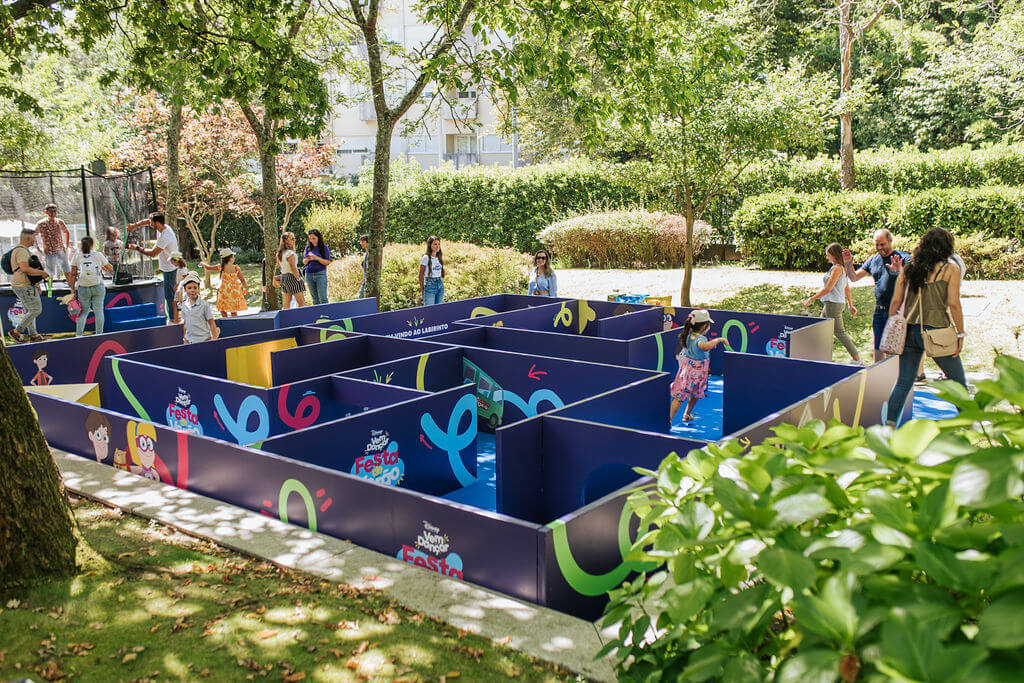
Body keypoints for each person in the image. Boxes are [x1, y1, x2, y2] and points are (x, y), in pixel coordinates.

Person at [885, 227, 967, 426]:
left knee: (903, 383)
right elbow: (954, 304)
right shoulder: (951, 269)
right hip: (937, 331)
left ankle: (889, 426)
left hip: (910, 331)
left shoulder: (909, 268)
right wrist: (960, 334)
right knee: (959, 383)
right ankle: (971, 426)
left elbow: (895, 302)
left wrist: (893, 327)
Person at [842, 229, 911, 363]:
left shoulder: (904, 257)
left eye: (882, 244)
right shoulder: (873, 260)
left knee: (898, 350)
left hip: (899, 312)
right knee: (878, 350)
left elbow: (913, 280)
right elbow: (854, 277)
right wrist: (849, 264)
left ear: (890, 241)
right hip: (880, 311)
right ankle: (879, 374)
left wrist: (900, 271)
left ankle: (900, 375)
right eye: (877, 244)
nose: (879, 248)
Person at [803, 243, 861, 363]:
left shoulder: (837, 269)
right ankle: (818, 356)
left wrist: (811, 299)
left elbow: (828, 289)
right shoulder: (841, 268)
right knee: (820, 329)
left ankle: (857, 360)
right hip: (832, 304)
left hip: (833, 305)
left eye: (828, 255)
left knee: (839, 332)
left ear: (834, 255)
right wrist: (850, 305)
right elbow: (847, 288)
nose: (827, 257)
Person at [670, 309, 729, 423]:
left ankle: (684, 415)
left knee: (687, 395)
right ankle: (673, 418)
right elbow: (704, 347)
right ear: (704, 327)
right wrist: (718, 340)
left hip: (689, 369)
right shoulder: (700, 339)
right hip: (695, 372)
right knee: (687, 396)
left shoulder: (689, 335)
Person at [126, 212, 179, 321]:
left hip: (170, 268)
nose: (149, 224)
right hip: (168, 266)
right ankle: (174, 317)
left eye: (151, 223)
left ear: (157, 223)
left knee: (169, 295)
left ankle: (174, 319)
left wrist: (136, 248)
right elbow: (146, 221)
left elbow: (153, 253)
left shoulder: (165, 236)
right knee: (170, 294)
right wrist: (134, 225)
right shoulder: (161, 227)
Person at [8, 228, 48, 342]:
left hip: (24, 284)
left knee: (29, 311)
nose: (35, 240)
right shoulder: (21, 251)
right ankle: (16, 331)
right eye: (34, 237)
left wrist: (37, 285)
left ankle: (34, 335)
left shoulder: (21, 250)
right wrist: (42, 273)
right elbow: (25, 268)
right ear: (29, 238)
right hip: (23, 285)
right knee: (36, 309)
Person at [68, 236, 114, 336]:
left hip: (83, 288)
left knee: (83, 312)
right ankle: (99, 335)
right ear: (92, 245)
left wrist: (72, 289)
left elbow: (73, 273)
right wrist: (102, 266)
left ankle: (79, 335)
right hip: (98, 287)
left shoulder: (77, 255)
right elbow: (110, 268)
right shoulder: (98, 255)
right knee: (99, 312)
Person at [201, 247, 248, 317]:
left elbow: (208, 267)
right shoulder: (236, 268)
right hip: (234, 292)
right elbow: (242, 279)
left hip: (224, 292)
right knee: (233, 310)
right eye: (233, 256)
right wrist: (244, 288)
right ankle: (234, 322)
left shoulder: (220, 267)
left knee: (223, 309)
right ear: (231, 258)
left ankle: (225, 320)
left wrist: (203, 264)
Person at [179, 271, 219, 344]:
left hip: (203, 340)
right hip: (190, 341)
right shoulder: (184, 305)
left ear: (198, 289)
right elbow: (185, 324)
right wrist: (185, 338)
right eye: (189, 288)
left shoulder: (204, 305)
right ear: (185, 289)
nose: (192, 290)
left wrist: (214, 339)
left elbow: (211, 323)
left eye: (195, 288)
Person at [35, 203, 71, 281]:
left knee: (67, 271)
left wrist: (66, 245)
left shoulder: (59, 222)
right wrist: (37, 248)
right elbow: (33, 235)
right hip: (49, 252)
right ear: (46, 212)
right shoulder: (41, 223)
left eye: (54, 211)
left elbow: (66, 232)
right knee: (50, 273)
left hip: (60, 250)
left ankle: (71, 287)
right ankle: (50, 288)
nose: (53, 213)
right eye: (51, 211)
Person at [277, 231, 306, 308]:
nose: (294, 240)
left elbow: (278, 264)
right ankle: (302, 315)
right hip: (291, 276)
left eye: (294, 238)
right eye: (292, 239)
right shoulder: (290, 253)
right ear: (286, 240)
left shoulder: (280, 253)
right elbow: (293, 267)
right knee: (301, 302)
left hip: (283, 277)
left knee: (287, 301)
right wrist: (298, 278)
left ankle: (285, 315)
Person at [302, 229, 332, 305]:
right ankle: (317, 313)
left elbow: (327, 262)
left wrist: (317, 258)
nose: (312, 240)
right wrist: (308, 259)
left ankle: (326, 312)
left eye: (314, 238)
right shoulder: (308, 247)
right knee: (315, 299)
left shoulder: (324, 247)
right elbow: (304, 262)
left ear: (318, 237)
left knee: (323, 298)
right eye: (310, 239)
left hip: (320, 274)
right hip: (309, 274)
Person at [419, 235, 445, 305]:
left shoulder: (439, 257)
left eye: (439, 244)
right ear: (430, 245)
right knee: (429, 310)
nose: (437, 246)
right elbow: (421, 275)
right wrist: (422, 290)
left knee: (439, 309)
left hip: (440, 284)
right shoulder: (426, 257)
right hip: (430, 285)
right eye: (435, 244)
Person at [357, 234, 369, 298]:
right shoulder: (367, 252)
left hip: (368, 280)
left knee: (361, 296)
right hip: (365, 279)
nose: (361, 243)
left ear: (367, 242)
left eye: (363, 242)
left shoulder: (370, 253)